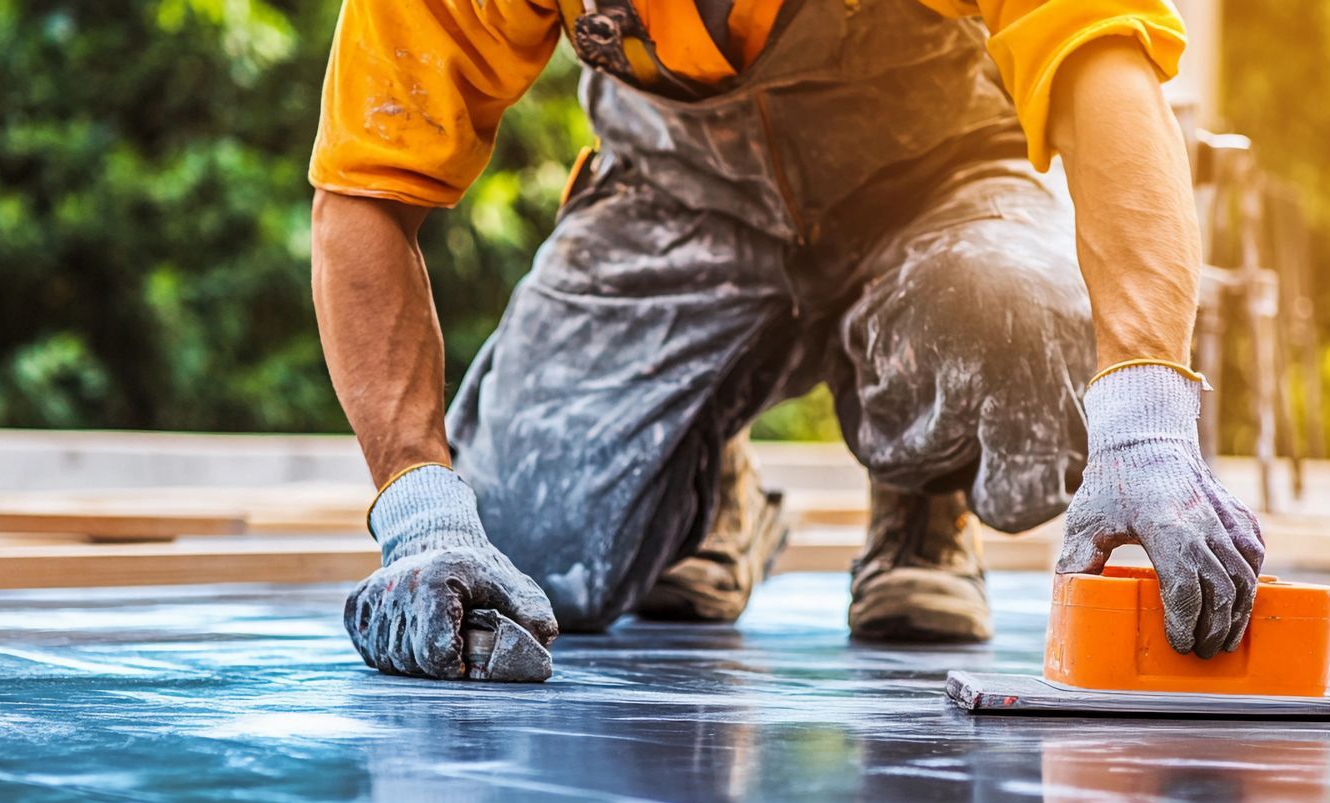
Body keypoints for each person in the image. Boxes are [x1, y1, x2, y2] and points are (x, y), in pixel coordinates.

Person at [309, 0, 1265, 680]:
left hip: (935, 190)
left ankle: (923, 510)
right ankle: (707, 489)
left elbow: (1104, 53)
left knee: (1025, 327)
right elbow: (364, 190)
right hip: (674, 201)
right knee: (517, 552)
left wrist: (1145, 415)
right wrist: (421, 511)